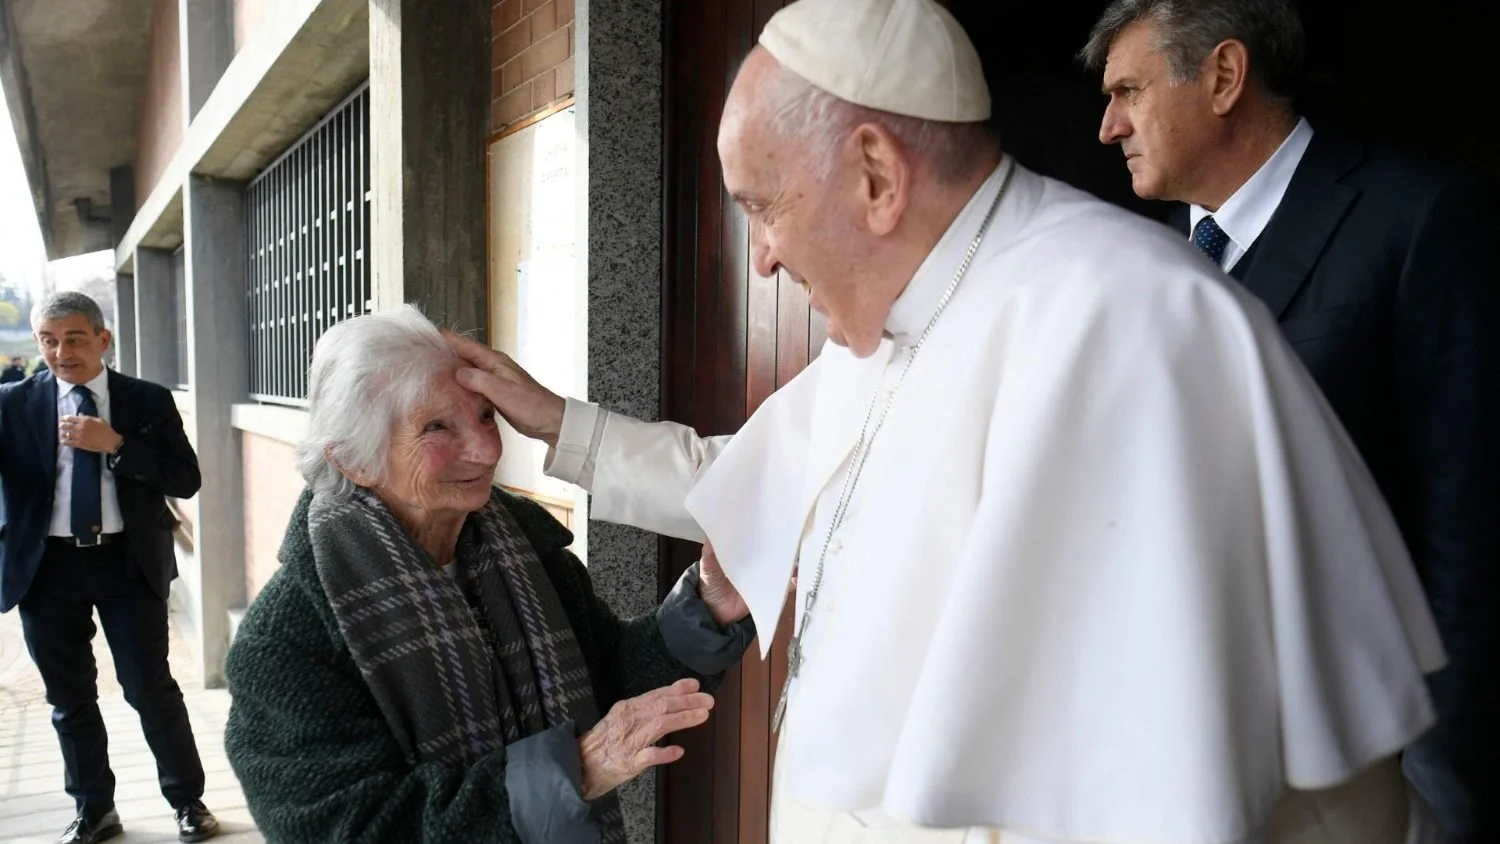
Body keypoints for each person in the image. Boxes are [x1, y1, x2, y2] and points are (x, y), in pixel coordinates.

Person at [446, 1, 1450, 841]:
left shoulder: (1130, 323)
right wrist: (553, 422)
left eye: (766, 207)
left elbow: (1157, 779)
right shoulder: (892, 327)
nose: (761, 259)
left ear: (877, 175)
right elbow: (742, 472)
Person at [1082, 2, 1500, 840]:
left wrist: (1438, 777)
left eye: (1128, 90)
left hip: (1383, 767)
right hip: (1188, 769)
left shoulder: (1418, 218)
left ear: (1225, 77)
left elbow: (1472, 523)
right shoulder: (1133, 266)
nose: (1106, 126)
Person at [221, 306, 755, 843]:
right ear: (352, 460)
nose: (485, 449)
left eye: (484, 416)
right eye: (436, 427)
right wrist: (574, 771)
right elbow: (354, 829)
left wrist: (705, 609)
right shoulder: (286, 642)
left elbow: (609, 679)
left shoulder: (526, 551)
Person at [0, 293, 219, 844]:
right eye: (48, 340)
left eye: (73, 338)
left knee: (150, 688)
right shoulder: (12, 404)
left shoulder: (145, 401)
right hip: (46, 569)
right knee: (69, 698)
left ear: (103, 339)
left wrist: (115, 445)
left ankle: (188, 801)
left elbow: (185, 479)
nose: (60, 351)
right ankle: (95, 809)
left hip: (127, 563)